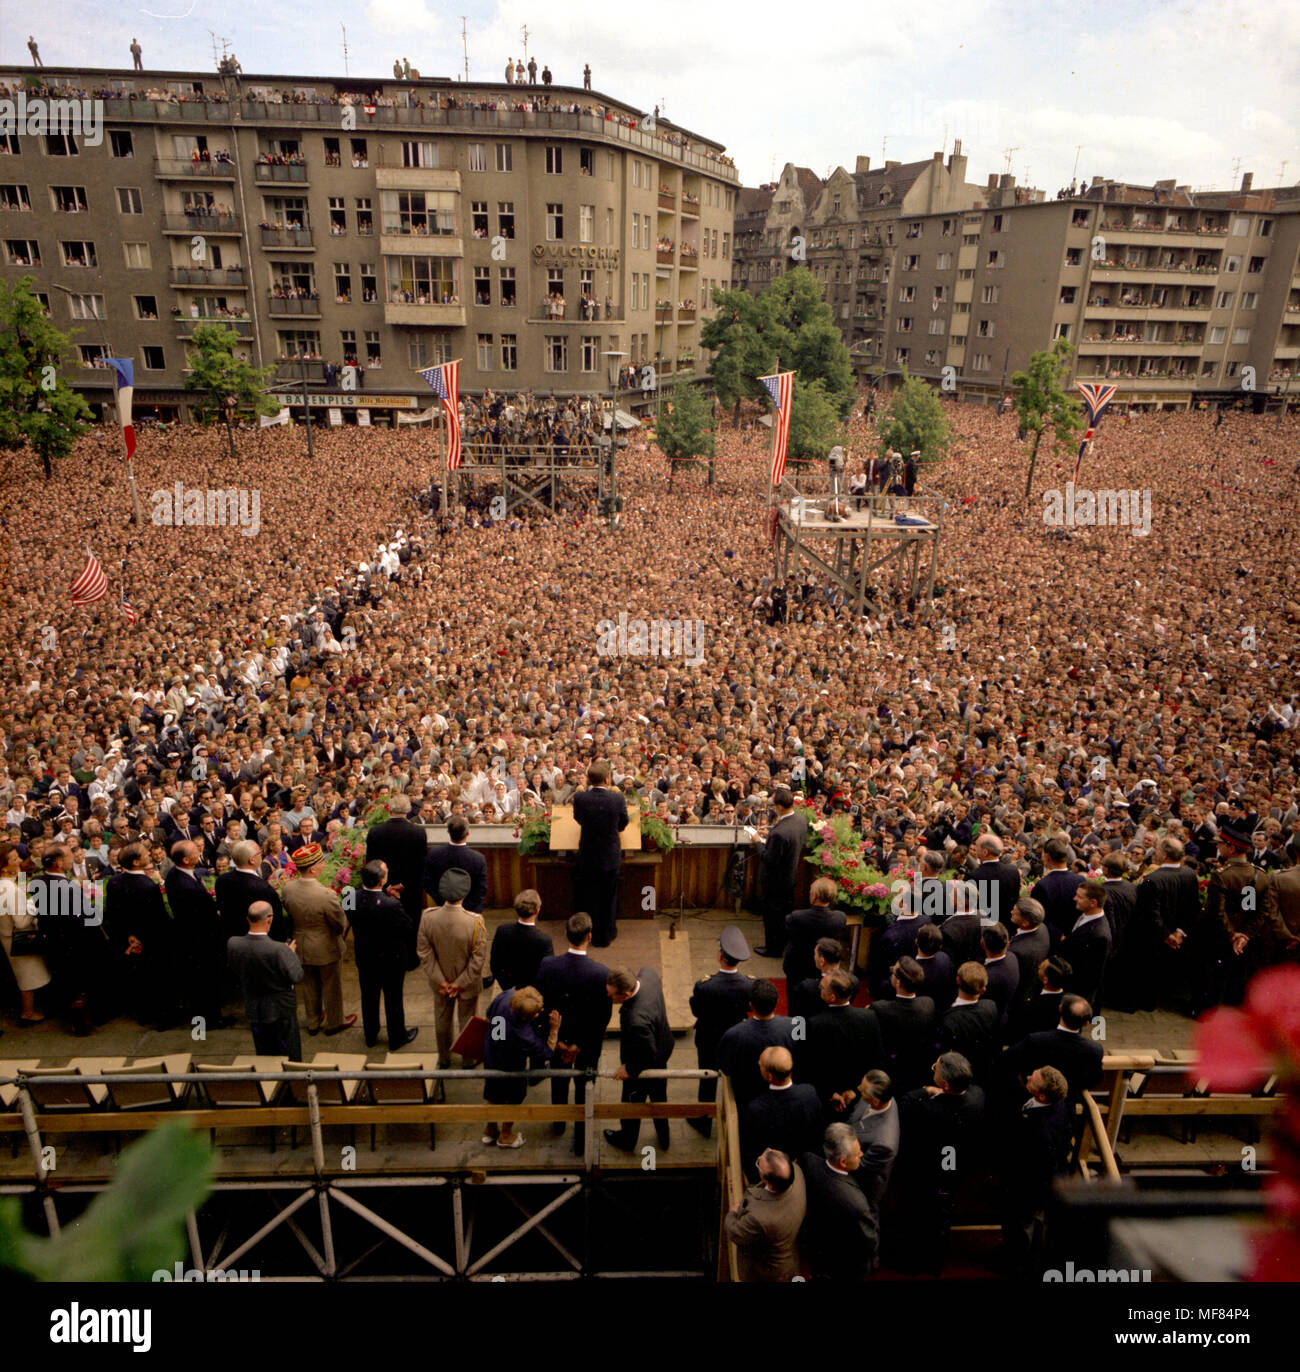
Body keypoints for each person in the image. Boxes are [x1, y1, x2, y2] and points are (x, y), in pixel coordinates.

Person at [896, 1053, 986, 1275]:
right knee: (942, 1214)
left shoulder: (927, 1108)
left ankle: (911, 1262)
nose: (933, 1067)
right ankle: (934, 1261)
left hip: (927, 1170)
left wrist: (926, 1091)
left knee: (917, 1214)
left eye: (935, 1068)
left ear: (944, 1084)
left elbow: (905, 1103)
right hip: (955, 1167)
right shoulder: (977, 1096)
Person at [536, 912, 612, 1155]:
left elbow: (540, 1006)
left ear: (566, 935)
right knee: (585, 1086)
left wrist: (558, 1041)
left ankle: (559, 1122)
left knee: (558, 1082)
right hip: (586, 1046)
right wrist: (579, 1045)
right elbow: (603, 1017)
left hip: (557, 1040)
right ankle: (581, 1138)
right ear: (589, 937)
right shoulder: (602, 974)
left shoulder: (548, 966)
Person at [999, 1064, 1070, 1275]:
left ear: (1041, 1096)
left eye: (1032, 1080)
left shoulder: (1040, 1130)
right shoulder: (1059, 1105)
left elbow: (1036, 1167)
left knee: (1021, 1226)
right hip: (1038, 1178)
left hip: (1030, 1187)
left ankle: (1017, 1265)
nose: (1028, 1076)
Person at [280, 842, 354, 1036]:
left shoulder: (288, 889)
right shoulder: (326, 895)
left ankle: (313, 1021)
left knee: (309, 985)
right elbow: (339, 924)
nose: (323, 864)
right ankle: (334, 1022)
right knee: (331, 986)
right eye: (321, 862)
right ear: (313, 868)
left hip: (301, 943)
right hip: (326, 946)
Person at [105, 841, 180, 1030]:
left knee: (139, 981)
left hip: (129, 940)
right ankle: (164, 1019)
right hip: (151, 942)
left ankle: (144, 1014)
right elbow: (157, 919)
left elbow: (114, 914)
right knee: (158, 981)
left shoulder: (114, 882)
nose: (149, 854)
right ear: (137, 862)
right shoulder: (148, 886)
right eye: (145, 854)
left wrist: (129, 937)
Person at [418, 867, 487, 1068]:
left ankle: (444, 1058)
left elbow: (424, 953)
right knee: (468, 1020)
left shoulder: (428, 917)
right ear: (465, 893)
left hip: (439, 983)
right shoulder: (475, 922)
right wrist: (459, 983)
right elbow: (478, 959)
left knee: (441, 1021)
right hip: (466, 984)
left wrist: (441, 981)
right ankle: (468, 1059)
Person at [688, 925, 752, 1137]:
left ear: (720, 956)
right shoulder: (750, 985)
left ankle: (704, 1121)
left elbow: (696, 1010)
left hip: (709, 1039)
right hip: (736, 1039)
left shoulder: (705, 986)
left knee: (706, 1078)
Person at [1131, 836, 1205, 1014]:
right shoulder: (1190, 875)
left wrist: (1166, 935)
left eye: (1157, 850)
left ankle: (1147, 1002)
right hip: (1178, 934)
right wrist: (1179, 932)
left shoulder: (1152, 880)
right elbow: (1192, 908)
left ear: (1164, 855)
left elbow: (1150, 914)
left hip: (1155, 938)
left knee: (1151, 972)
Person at [603, 966, 674, 1152]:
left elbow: (647, 1052)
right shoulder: (648, 974)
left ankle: (627, 1140)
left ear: (625, 994)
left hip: (646, 1063)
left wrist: (630, 1069)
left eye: (611, 995)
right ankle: (664, 1138)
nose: (609, 997)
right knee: (660, 1099)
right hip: (663, 1048)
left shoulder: (636, 1020)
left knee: (631, 1105)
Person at [481, 985, 560, 1148]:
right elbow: (545, 1053)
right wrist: (554, 1030)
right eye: (537, 1012)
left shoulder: (504, 997)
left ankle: (490, 1130)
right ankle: (505, 1135)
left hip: (493, 1055)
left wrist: (499, 1039)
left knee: (493, 1093)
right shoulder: (524, 1035)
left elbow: (490, 1017)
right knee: (514, 1099)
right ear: (526, 1017)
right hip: (512, 1065)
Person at [351, 860, 417, 1049]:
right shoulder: (391, 905)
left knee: (368, 996)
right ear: (381, 881)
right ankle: (397, 1037)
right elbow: (407, 927)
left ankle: (370, 1035)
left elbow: (348, 914)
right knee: (393, 998)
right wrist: (393, 899)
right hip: (391, 958)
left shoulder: (350, 895)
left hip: (364, 956)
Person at [799, 1123, 878, 1280]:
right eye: (857, 1154)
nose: (862, 1154)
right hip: (845, 1265)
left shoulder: (808, 1162)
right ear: (842, 1162)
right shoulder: (855, 1202)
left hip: (819, 1250)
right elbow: (869, 1241)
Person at [164, 840, 228, 1029]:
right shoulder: (187, 886)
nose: (199, 851)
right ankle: (212, 1019)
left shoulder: (176, 874)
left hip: (193, 937)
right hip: (201, 940)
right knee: (206, 981)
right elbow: (205, 915)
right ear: (186, 859)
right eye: (194, 851)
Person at [227, 901, 304, 1060]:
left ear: (248, 919)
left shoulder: (233, 943)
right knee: (289, 1049)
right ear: (269, 919)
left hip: (254, 1005)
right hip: (280, 1006)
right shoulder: (278, 949)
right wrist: (290, 954)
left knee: (263, 1050)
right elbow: (296, 975)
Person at [798, 969, 883, 1112]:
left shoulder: (814, 1024)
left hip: (823, 1099)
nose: (819, 989)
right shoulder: (870, 1017)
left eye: (822, 988)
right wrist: (856, 1091)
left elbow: (807, 1066)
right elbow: (877, 1059)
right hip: (857, 1096)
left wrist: (829, 1093)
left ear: (832, 997)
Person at [723, 1148, 806, 1283]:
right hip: (788, 1261)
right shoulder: (796, 1173)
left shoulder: (758, 1217)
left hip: (768, 1273)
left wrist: (733, 1212)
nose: (765, 1152)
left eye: (758, 1164)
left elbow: (734, 1231)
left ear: (769, 1183)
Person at [1004, 994, 1104, 1101]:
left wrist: (1024, 1081)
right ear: (1086, 1023)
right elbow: (1094, 1080)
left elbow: (1006, 1060)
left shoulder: (1036, 1040)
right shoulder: (1094, 1050)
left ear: (1060, 1009)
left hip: (1030, 1097)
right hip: (1066, 1103)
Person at [572, 760, 628, 946]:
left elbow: (579, 819)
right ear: (607, 779)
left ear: (589, 780)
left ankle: (589, 933)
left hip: (587, 855)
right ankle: (606, 935)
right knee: (608, 897)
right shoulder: (617, 799)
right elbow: (623, 823)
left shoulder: (580, 798)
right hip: (609, 856)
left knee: (588, 896)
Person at [365, 793, 427, 959]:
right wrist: (404, 885)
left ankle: (387, 957)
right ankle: (411, 959)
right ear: (408, 810)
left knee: (385, 925)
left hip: (381, 888)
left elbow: (370, 863)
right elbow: (421, 865)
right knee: (411, 922)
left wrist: (387, 887)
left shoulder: (376, 832)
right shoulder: (419, 832)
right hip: (411, 889)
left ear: (390, 809)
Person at [716, 978, 795, 1109]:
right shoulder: (794, 1025)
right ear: (777, 1003)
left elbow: (725, 1066)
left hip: (747, 1097)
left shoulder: (734, 1034)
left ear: (751, 1006)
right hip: (785, 1095)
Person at [740, 1046, 823, 1169]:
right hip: (805, 1164)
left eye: (761, 1065)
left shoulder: (756, 1108)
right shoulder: (809, 1092)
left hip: (774, 1168)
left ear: (769, 1076)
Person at [0, 842, 50, 1022]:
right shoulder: (10, 890)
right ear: (5, 865)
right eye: (14, 859)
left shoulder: (4, 884)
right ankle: (28, 1012)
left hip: (6, 936)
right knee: (28, 976)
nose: (20, 860)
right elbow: (21, 922)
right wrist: (33, 908)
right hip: (18, 937)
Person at [872, 957, 937, 1091]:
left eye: (893, 972)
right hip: (916, 1070)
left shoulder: (880, 1009)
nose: (891, 973)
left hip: (888, 1072)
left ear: (899, 983)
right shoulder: (928, 1003)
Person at [755, 786, 805, 958]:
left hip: (774, 883)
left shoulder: (780, 833)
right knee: (784, 915)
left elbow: (769, 859)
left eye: (774, 805)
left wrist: (758, 842)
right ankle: (782, 944)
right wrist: (770, 835)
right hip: (789, 878)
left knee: (772, 918)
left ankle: (773, 949)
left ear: (781, 807)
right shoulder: (799, 820)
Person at [845, 1069, 899, 1227]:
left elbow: (860, 1170)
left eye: (862, 1089)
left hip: (865, 1187)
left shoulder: (884, 1143)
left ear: (875, 1101)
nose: (858, 1088)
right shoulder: (878, 1096)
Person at [215, 840, 288, 945]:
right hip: (259, 945)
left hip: (231, 943)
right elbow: (276, 924)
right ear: (252, 860)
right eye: (259, 853)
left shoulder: (222, 880)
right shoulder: (263, 889)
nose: (262, 855)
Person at [937, 962, 999, 1083]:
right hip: (982, 1065)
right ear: (983, 990)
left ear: (957, 980)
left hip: (960, 1071)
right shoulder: (990, 1006)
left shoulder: (949, 1021)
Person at [783, 876, 847, 985]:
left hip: (798, 967)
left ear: (814, 897)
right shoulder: (840, 918)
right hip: (823, 967)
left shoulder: (796, 917)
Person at [1063, 878, 1113, 1012]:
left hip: (1076, 992)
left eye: (1079, 897)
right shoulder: (1084, 914)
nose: (1074, 899)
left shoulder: (1100, 935)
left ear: (1093, 902)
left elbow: (1093, 975)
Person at [489, 888, 553, 993]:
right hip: (531, 996)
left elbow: (495, 964)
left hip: (508, 991)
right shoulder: (544, 941)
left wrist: (507, 988)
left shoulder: (502, 931)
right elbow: (547, 973)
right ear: (537, 911)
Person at [424, 814, 487, 915]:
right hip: (469, 912)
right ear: (468, 833)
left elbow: (428, 883)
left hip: (441, 909)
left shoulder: (434, 854)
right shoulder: (478, 859)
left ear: (448, 831)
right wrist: (465, 908)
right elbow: (480, 890)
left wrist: (444, 903)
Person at [1030, 838, 1084, 942]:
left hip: (1051, 940)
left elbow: (1038, 918)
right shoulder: (1080, 880)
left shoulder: (1043, 885)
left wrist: (1059, 936)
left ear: (1047, 857)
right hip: (1076, 937)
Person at [971, 832, 1021, 927]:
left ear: (985, 852)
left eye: (976, 846)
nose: (975, 848)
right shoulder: (1013, 871)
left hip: (986, 926)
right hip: (1009, 924)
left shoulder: (974, 876)